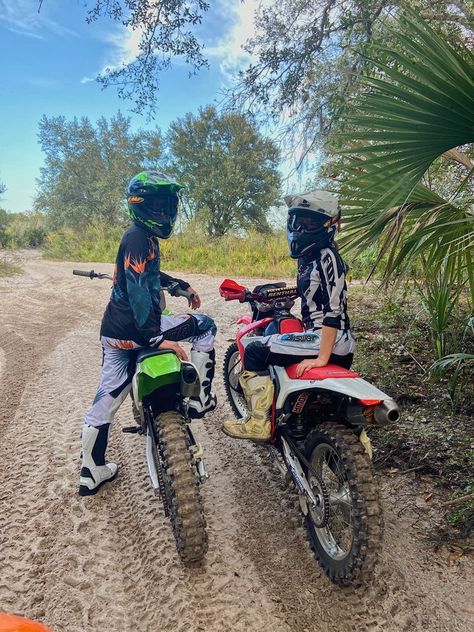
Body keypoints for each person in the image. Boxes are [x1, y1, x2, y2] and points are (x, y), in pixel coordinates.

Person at [79, 170, 217, 496]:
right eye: (157, 205)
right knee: (206, 325)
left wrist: (180, 286)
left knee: (105, 403)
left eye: (168, 206)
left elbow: (150, 275)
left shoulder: (138, 238)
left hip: (114, 335)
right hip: (141, 331)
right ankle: (199, 399)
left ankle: (91, 472)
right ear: (139, 205)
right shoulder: (140, 239)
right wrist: (158, 339)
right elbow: (143, 294)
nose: (164, 213)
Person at [223, 190, 355, 441]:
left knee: (254, 350)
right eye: (297, 221)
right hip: (327, 338)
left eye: (310, 223)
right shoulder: (312, 257)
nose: (301, 228)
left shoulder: (327, 257)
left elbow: (334, 311)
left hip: (327, 339)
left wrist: (321, 357)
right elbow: (314, 290)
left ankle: (258, 423)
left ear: (329, 225)